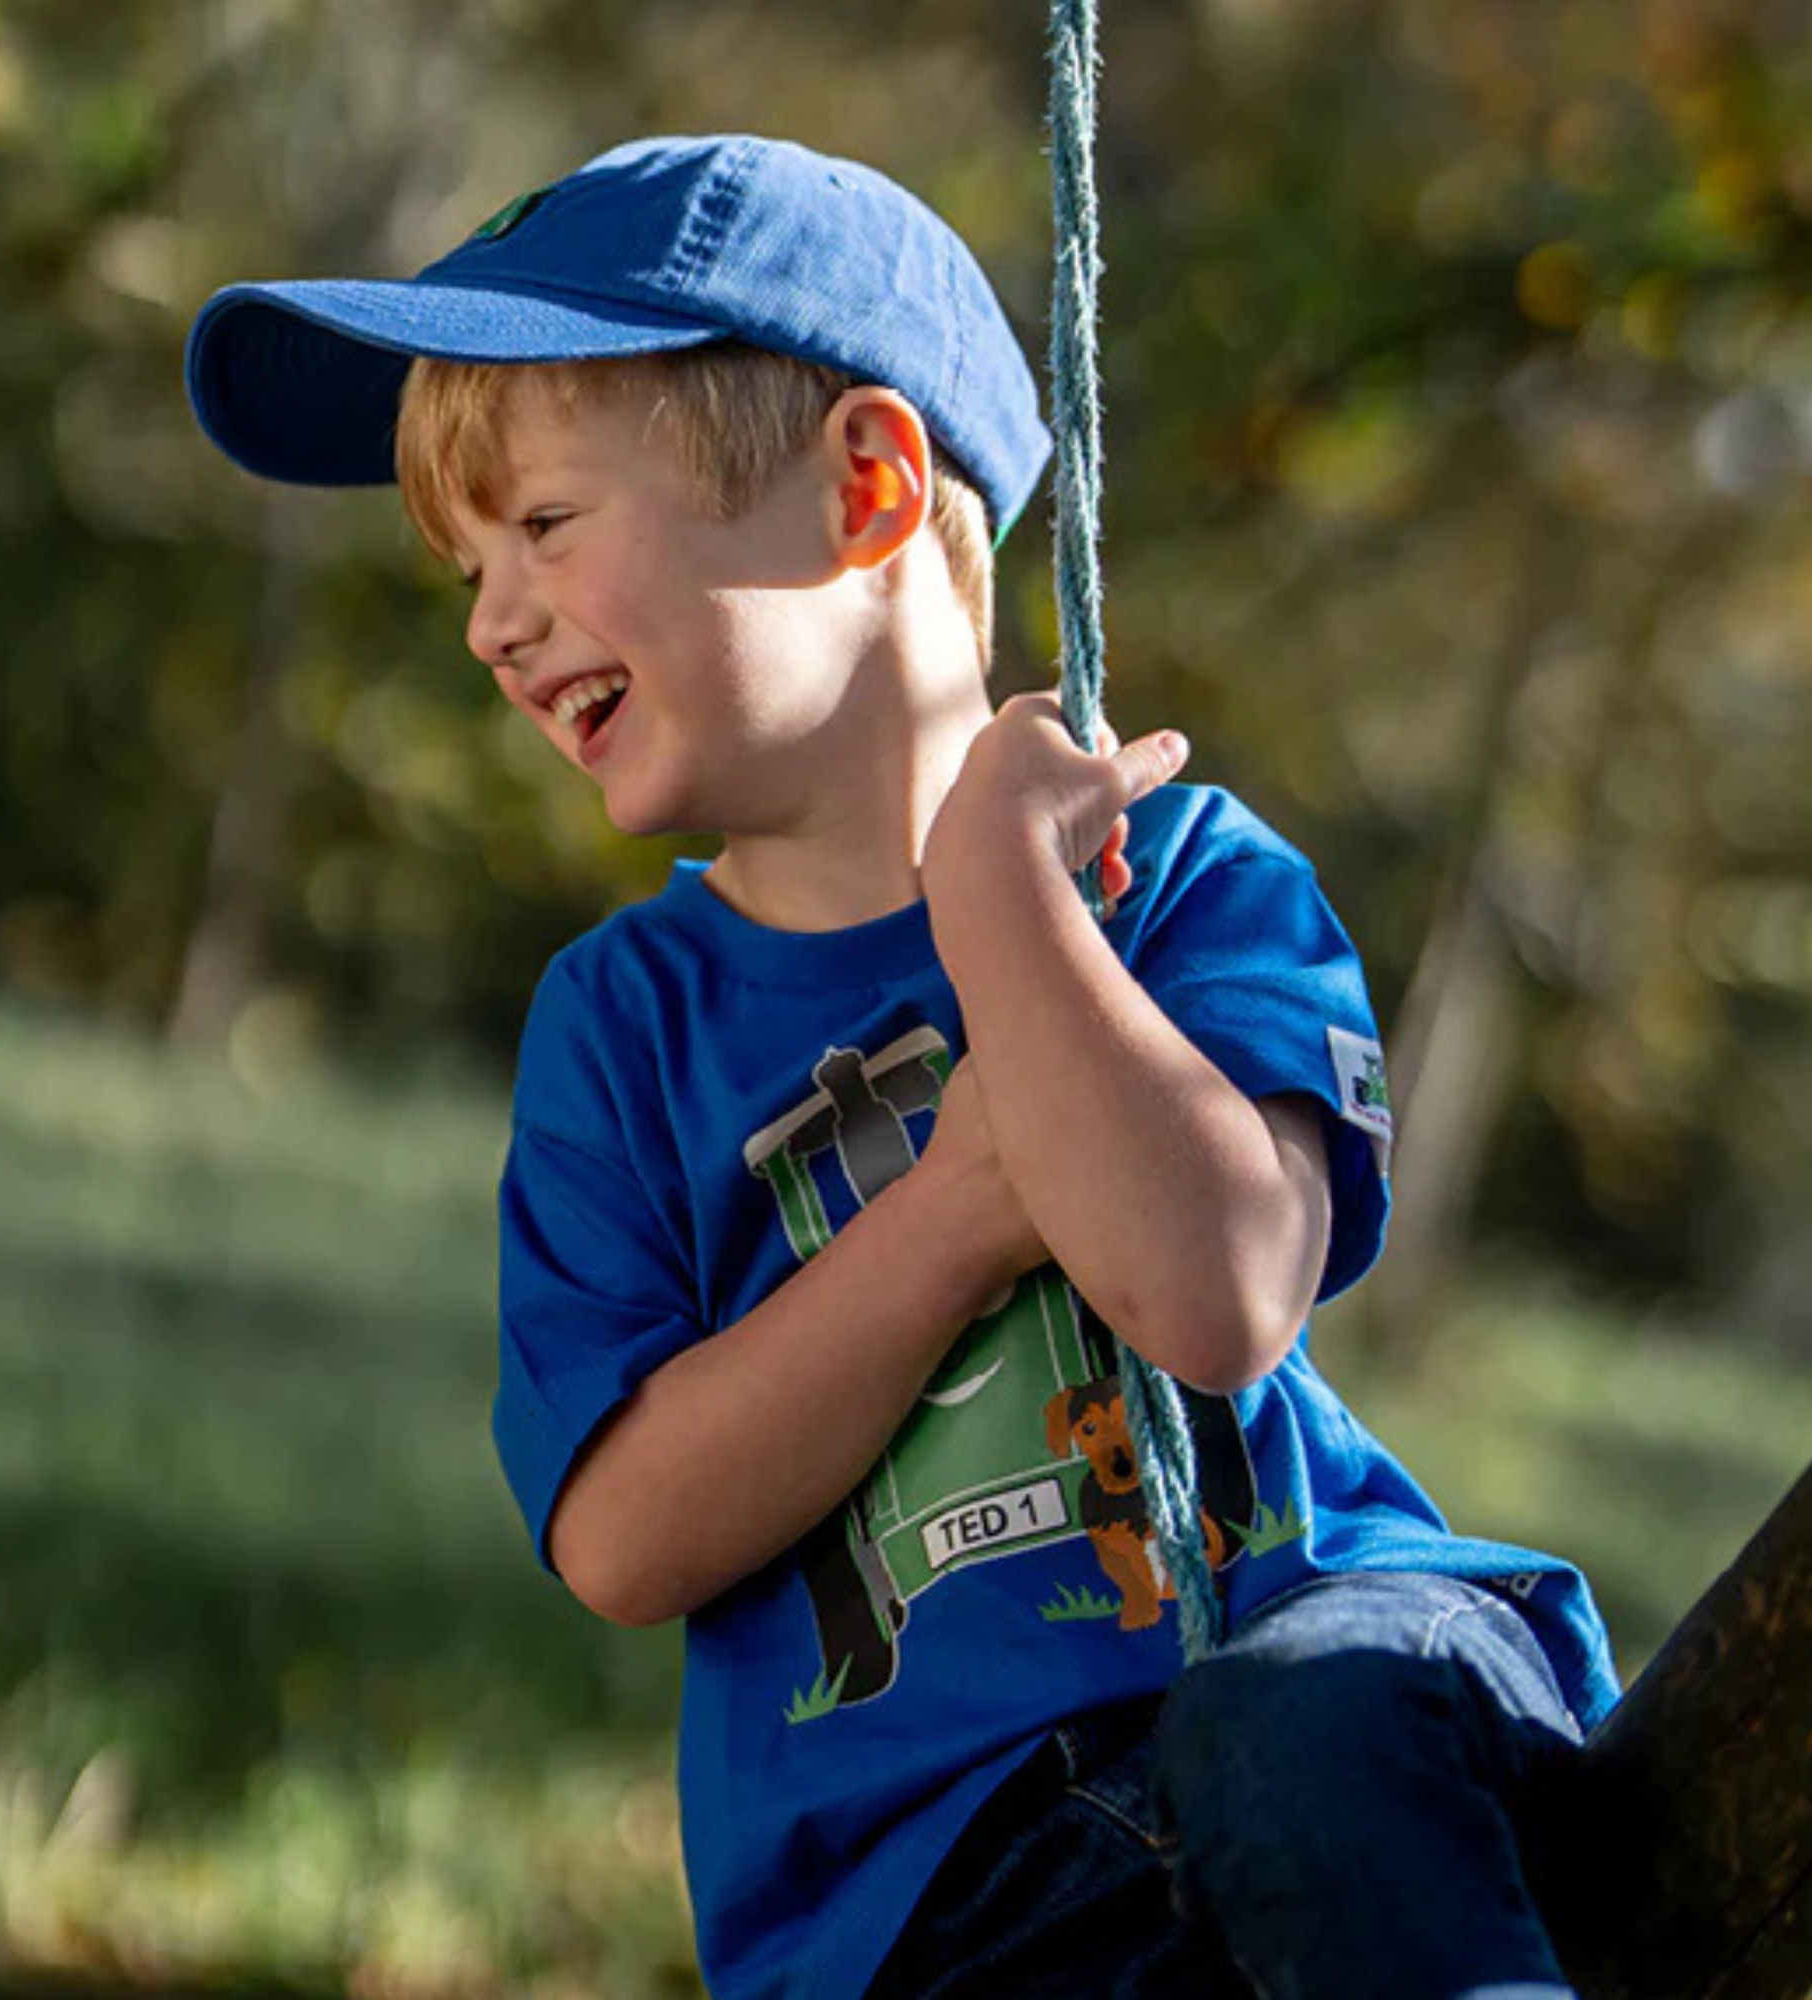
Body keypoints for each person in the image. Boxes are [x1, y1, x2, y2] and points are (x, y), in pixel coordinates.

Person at [186, 133, 1620, 2000]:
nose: (490, 621)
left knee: (1293, 1740)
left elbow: (1215, 1293)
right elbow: (623, 1536)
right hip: (932, 1894)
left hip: (1323, 1684)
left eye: (542, 526)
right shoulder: (623, 1029)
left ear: (865, 488)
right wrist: (951, 1217)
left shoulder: (1170, 875)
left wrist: (999, 897)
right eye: (467, 565)